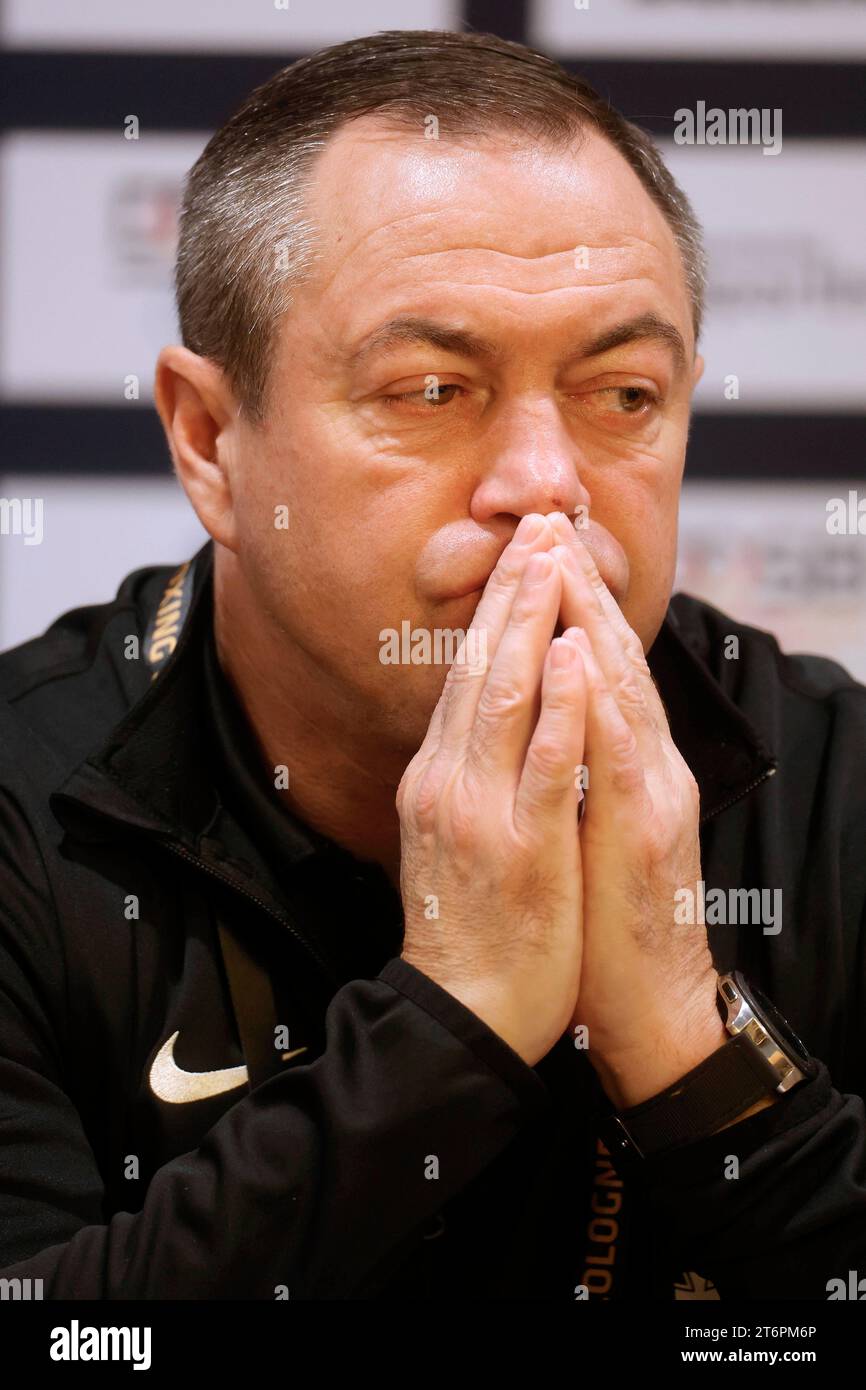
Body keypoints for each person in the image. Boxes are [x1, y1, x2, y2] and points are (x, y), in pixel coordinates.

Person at [0, 29, 864, 1302]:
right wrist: (451, 1020)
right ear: (208, 440)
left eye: (620, 395)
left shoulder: (836, 784)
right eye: (427, 389)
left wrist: (688, 1045)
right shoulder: (27, 812)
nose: (546, 487)